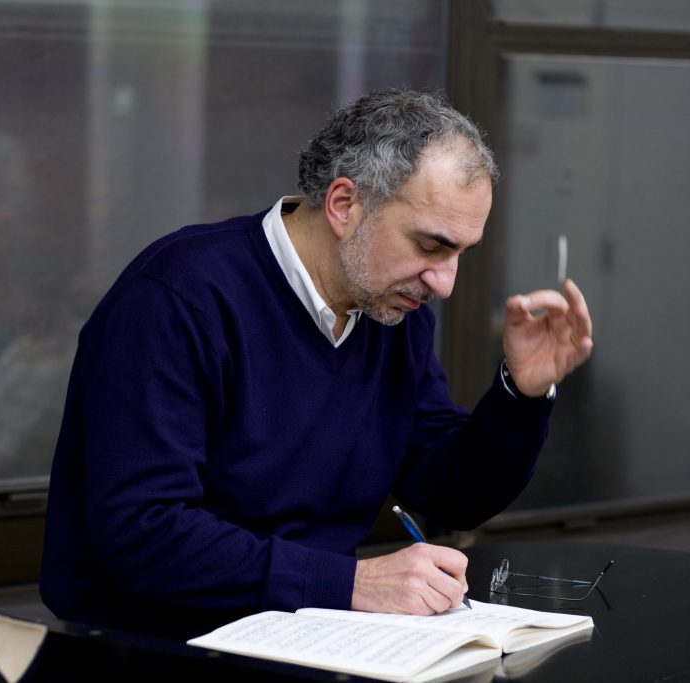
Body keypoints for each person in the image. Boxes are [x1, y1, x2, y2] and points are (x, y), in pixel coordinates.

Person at [39, 88, 593, 634]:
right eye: (430, 246)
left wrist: (520, 395)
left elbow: (450, 492)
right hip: (151, 642)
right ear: (344, 205)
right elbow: (142, 531)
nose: (444, 284)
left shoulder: (392, 312)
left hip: (317, 633)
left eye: (459, 255)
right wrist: (349, 584)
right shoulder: (179, 297)